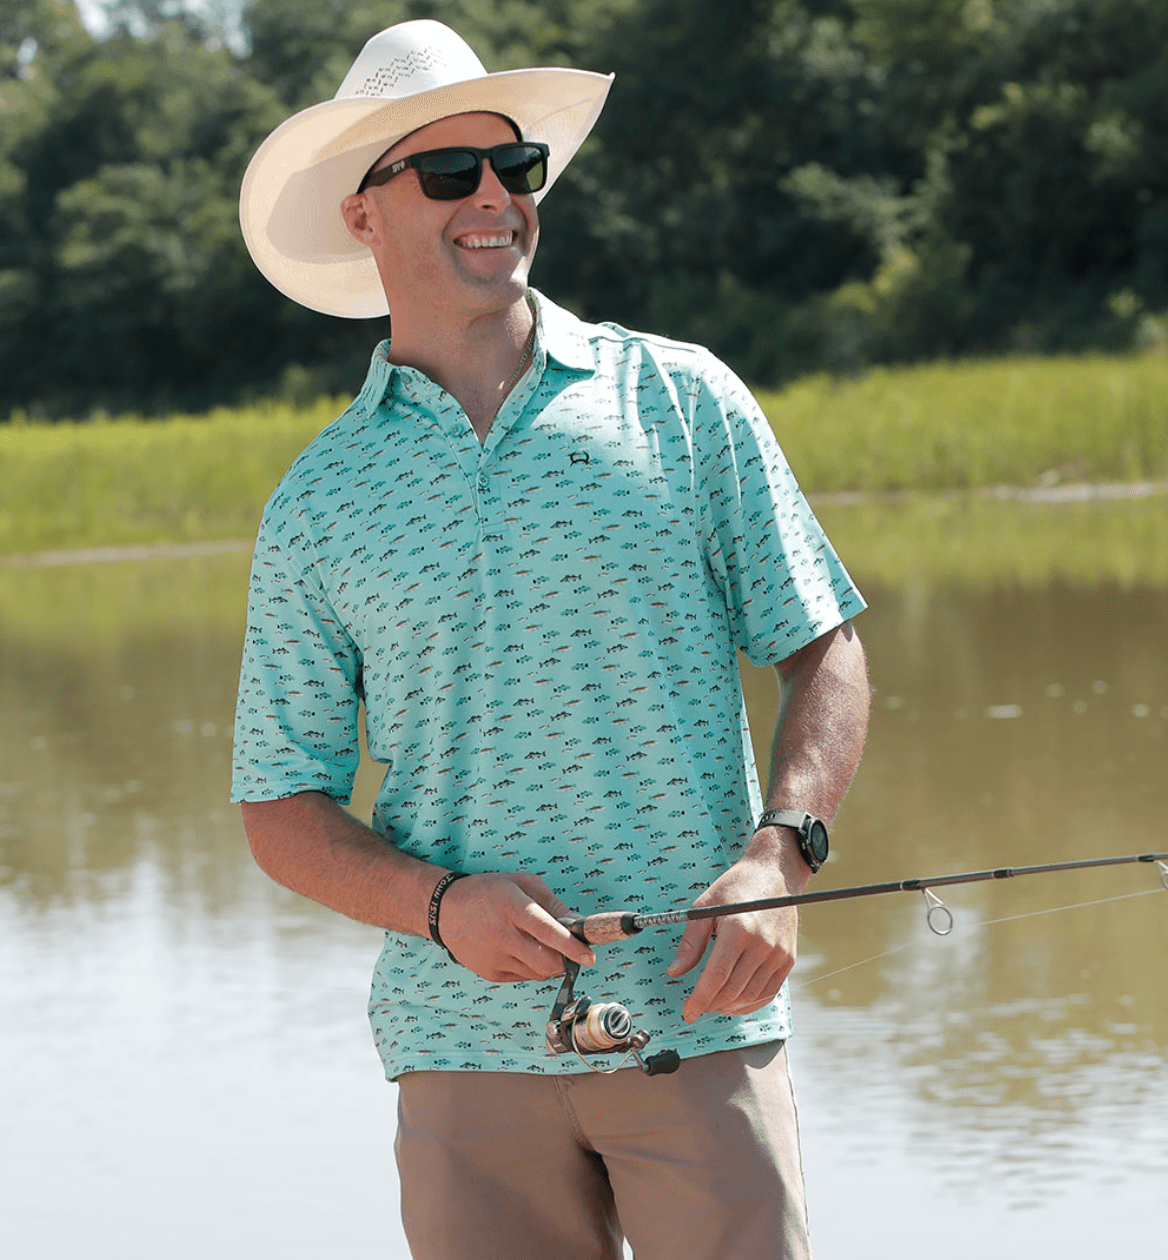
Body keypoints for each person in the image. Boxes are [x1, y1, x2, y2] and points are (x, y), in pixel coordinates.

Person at [232, 19, 870, 1260]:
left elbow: (824, 647)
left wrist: (779, 857)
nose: (494, 197)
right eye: (447, 172)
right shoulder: (319, 500)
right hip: (457, 1056)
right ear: (364, 215)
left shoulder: (682, 399)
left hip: (699, 1021)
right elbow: (279, 804)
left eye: (514, 166)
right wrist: (437, 906)